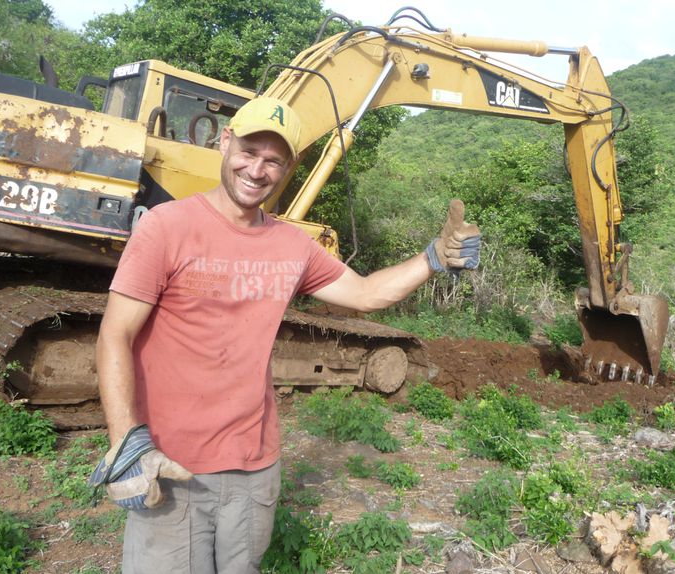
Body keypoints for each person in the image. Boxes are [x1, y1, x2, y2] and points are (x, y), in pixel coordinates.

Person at [89, 96, 481, 573]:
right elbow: (115, 335)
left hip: (254, 467)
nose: (257, 170)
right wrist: (126, 443)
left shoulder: (293, 245)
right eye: (249, 152)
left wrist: (434, 257)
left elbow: (365, 294)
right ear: (226, 141)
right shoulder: (166, 228)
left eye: (273, 160)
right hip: (171, 465)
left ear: (290, 167)